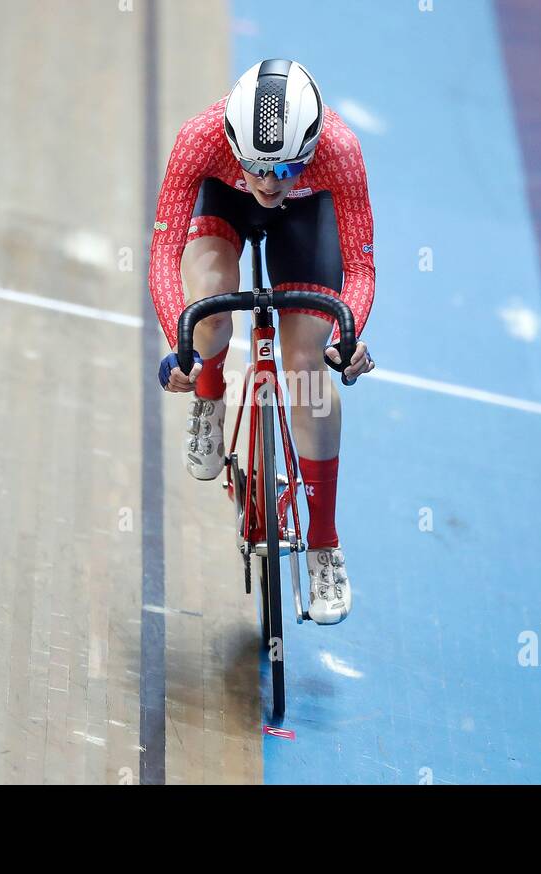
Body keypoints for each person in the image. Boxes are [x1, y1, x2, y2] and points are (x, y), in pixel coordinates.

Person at [149, 59, 376, 625]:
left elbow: (361, 269)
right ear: (232, 142)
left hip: (310, 218)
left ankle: (323, 543)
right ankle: (208, 394)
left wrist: (348, 335)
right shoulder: (199, 138)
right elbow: (161, 252)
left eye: (289, 167)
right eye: (258, 166)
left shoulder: (340, 151)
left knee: (305, 367)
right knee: (211, 306)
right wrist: (182, 347)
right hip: (222, 202)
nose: (272, 183)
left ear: (314, 147)